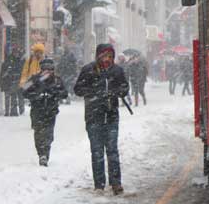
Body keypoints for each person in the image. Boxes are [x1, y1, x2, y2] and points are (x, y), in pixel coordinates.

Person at [73, 43, 130, 193]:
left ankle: (116, 182)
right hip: (93, 117)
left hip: (111, 116)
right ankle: (99, 184)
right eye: (104, 56)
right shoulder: (88, 70)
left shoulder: (117, 71)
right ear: (98, 56)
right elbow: (77, 89)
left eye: (110, 56)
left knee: (112, 150)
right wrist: (94, 93)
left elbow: (125, 88)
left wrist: (115, 92)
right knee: (97, 151)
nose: (107, 59)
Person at [23, 56, 68, 166]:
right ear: (41, 69)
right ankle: (41, 153)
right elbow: (24, 90)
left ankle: (45, 154)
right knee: (38, 133)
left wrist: (54, 94)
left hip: (51, 111)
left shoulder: (57, 80)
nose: (47, 71)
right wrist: (35, 96)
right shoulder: (34, 79)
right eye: (45, 69)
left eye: (50, 69)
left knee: (48, 134)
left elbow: (65, 93)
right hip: (37, 111)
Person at [0, 45, 26, 116]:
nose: (16, 54)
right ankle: (11, 111)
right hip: (11, 82)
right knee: (12, 96)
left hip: (17, 82)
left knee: (17, 96)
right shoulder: (10, 61)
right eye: (15, 52)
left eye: (17, 52)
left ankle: (18, 111)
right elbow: (3, 74)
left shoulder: (20, 61)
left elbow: (23, 72)